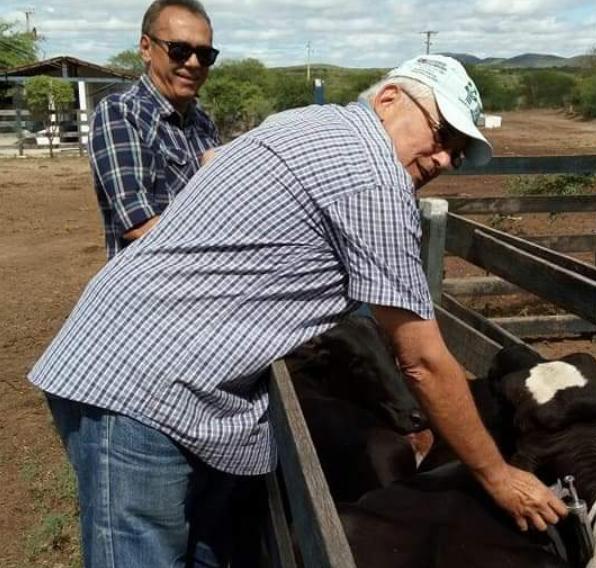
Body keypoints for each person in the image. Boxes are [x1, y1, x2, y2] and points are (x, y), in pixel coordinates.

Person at [30, 54, 566, 567]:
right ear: (388, 99)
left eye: (458, 151)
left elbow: (217, 164)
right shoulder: (375, 178)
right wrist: (497, 475)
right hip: (142, 387)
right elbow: (421, 360)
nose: (445, 158)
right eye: (441, 134)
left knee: (199, 547)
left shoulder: (311, 122)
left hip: (152, 361)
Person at [89, 0, 220, 259]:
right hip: (149, 291)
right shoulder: (121, 113)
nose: (194, 63)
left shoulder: (204, 124)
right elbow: (140, 225)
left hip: (203, 286)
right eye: (179, 50)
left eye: (205, 55)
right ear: (146, 48)